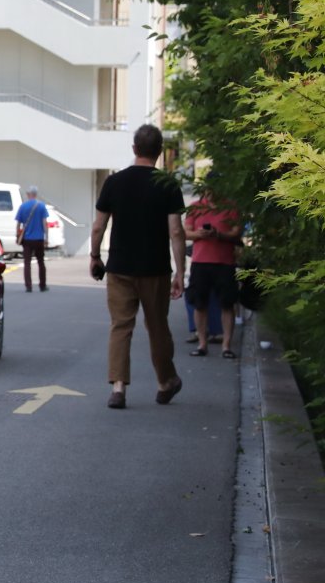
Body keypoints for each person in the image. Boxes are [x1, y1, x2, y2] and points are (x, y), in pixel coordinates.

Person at [90, 123, 186, 409]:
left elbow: (98, 226)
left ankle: (118, 388)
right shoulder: (167, 184)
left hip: (119, 267)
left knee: (121, 326)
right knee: (157, 326)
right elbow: (176, 231)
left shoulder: (114, 182)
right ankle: (165, 382)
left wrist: (95, 256)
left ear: (134, 148)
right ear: (160, 151)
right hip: (155, 269)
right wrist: (181, 272)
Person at [184, 187, 242, 358]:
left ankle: (226, 345)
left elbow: (236, 232)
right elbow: (185, 232)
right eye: (208, 190)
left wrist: (219, 235)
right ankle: (202, 344)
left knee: (227, 304)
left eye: (214, 189)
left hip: (225, 262)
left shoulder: (231, 207)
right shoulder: (195, 207)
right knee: (199, 304)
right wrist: (199, 234)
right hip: (200, 262)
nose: (211, 194)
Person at [14, 185, 51, 292]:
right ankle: (42, 285)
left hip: (27, 239)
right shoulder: (41, 206)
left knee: (27, 263)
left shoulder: (23, 206)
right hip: (39, 238)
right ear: (36, 194)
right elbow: (45, 223)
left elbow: (18, 224)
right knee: (41, 262)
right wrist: (46, 237)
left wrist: (17, 235)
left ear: (28, 194)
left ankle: (28, 286)